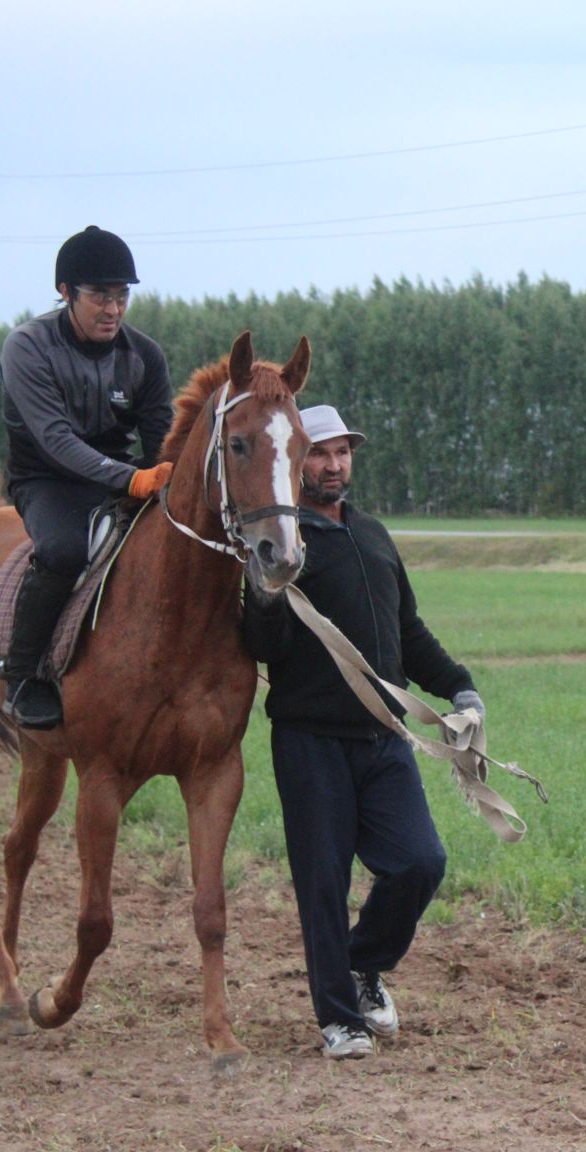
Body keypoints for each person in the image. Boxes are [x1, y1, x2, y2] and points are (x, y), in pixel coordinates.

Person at [241, 404, 485, 1060]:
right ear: (297, 463)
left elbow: (407, 631)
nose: (334, 464)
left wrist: (458, 684)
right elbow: (259, 644)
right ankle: (339, 1020)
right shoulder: (284, 544)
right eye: (320, 452)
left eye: (343, 452)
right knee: (322, 882)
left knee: (420, 861)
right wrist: (263, 592)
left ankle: (359, 965)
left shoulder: (373, 534)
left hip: (384, 739)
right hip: (309, 741)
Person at [0, 225, 174, 728]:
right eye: (100, 296)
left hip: (119, 478)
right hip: (46, 481)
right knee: (64, 551)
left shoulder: (146, 355)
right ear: (65, 292)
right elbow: (55, 440)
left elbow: (162, 439)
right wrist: (132, 480)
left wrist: (170, 480)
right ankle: (23, 674)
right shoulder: (27, 348)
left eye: (122, 296)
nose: (113, 309)